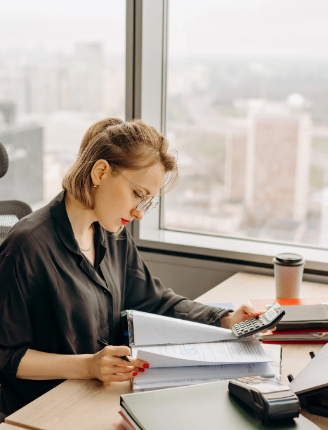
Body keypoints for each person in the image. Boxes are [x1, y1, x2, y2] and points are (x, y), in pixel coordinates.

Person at [0, 118, 259, 415]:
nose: (139, 214)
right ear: (100, 172)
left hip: (100, 397)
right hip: (44, 409)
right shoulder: (26, 247)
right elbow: (6, 355)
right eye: (137, 194)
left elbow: (154, 300)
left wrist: (224, 319)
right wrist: (88, 366)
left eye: (147, 202)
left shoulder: (112, 234)